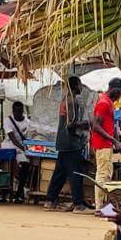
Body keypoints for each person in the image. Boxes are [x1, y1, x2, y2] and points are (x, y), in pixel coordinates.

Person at [43, 75, 89, 212]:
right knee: (76, 173)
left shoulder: (65, 100)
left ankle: (50, 200)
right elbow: (70, 125)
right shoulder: (72, 102)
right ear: (75, 86)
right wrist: (86, 124)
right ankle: (78, 204)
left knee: (60, 173)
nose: (81, 87)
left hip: (63, 142)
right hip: (71, 143)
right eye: (80, 84)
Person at [91, 78, 121, 207]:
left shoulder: (109, 102)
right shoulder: (104, 103)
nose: (120, 95)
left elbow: (111, 124)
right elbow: (96, 126)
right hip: (102, 144)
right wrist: (113, 140)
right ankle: (99, 206)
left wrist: (115, 140)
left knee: (106, 174)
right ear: (114, 90)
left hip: (106, 144)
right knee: (103, 175)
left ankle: (102, 204)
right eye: (120, 92)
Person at [3, 100, 33, 203]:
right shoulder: (8, 121)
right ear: (13, 111)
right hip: (9, 146)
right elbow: (12, 138)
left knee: (25, 165)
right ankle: (7, 192)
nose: (18, 114)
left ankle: (19, 193)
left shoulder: (28, 122)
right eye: (16, 112)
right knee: (10, 165)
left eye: (20, 112)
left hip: (22, 147)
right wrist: (23, 148)